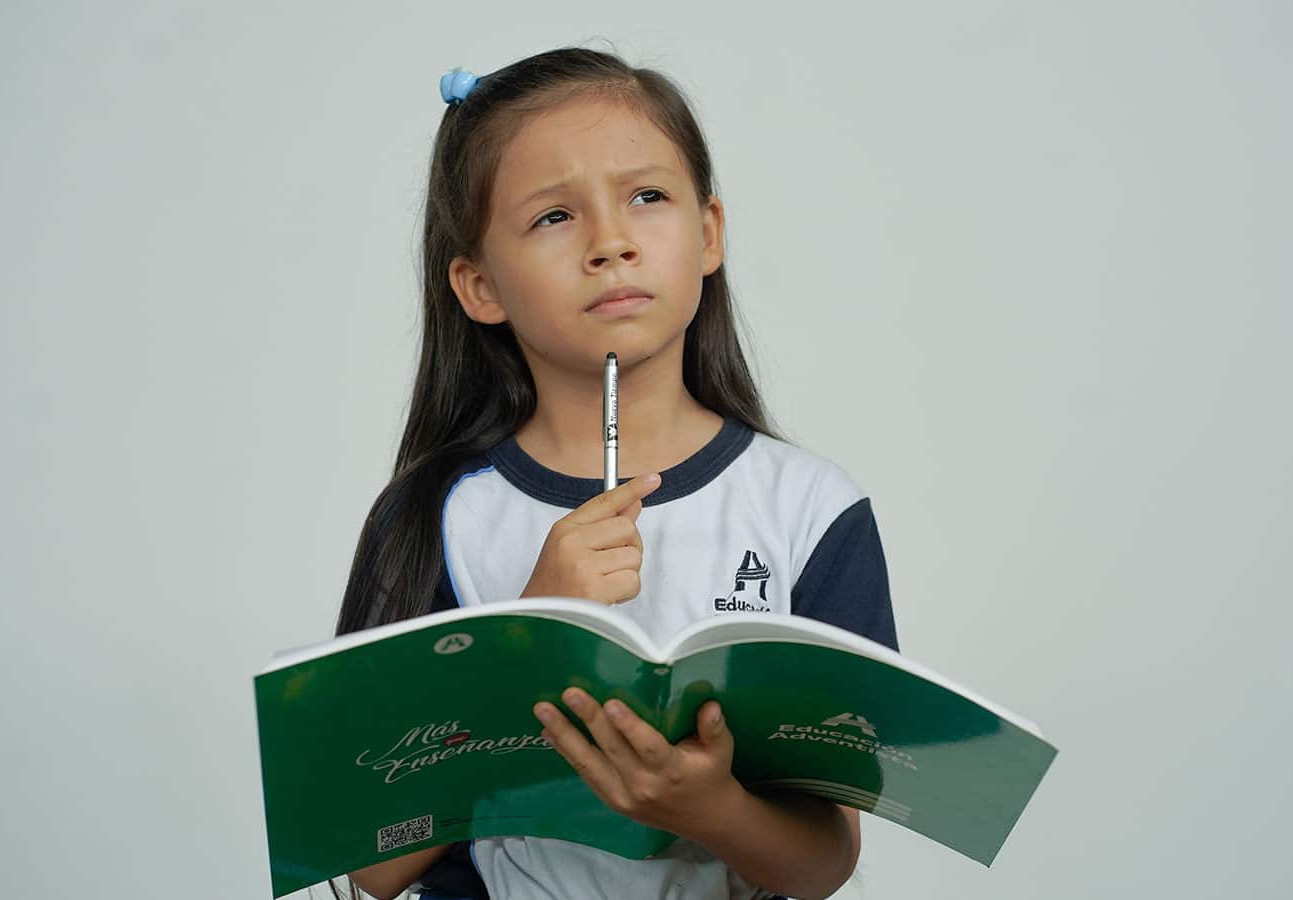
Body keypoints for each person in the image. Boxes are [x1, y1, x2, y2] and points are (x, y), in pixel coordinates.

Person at [333, 47, 898, 900]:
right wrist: (528, 634)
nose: (611, 243)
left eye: (647, 197)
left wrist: (710, 809)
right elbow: (367, 862)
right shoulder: (436, 514)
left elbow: (824, 863)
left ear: (708, 233)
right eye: (554, 217)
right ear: (480, 284)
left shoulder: (811, 510)